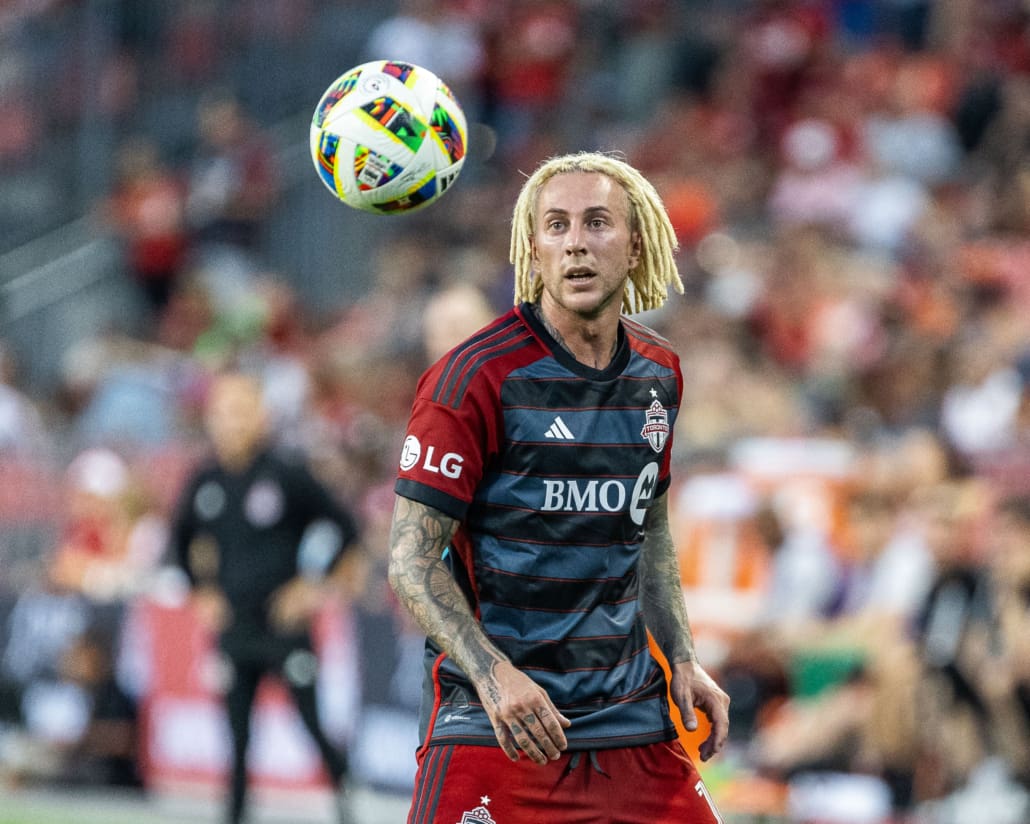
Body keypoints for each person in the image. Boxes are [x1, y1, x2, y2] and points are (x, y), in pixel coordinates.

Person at [388, 151, 730, 824]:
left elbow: (649, 531)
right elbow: (410, 560)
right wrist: (494, 678)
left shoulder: (659, 373)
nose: (576, 241)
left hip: (631, 724)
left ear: (635, 246)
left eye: (598, 222)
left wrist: (684, 658)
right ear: (533, 250)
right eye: (557, 226)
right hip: (503, 725)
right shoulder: (473, 378)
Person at [170, 372, 363, 824]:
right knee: (237, 737)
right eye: (221, 414)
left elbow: (344, 527)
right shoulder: (206, 481)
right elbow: (178, 541)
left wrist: (311, 587)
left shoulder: (286, 472)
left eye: (240, 412)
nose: (230, 423)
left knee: (311, 724)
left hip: (284, 625)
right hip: (235, 628)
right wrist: (202, 593)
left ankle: (348, 800)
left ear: (261, 417)